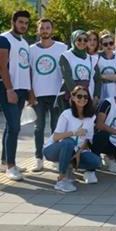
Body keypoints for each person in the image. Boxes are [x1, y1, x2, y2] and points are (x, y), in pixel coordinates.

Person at [0, 10, 32, 181]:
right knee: (15, 127)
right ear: (13, 22)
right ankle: (11, 166)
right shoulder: (3, 39)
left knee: (11, 126)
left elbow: (26, 67)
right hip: (8, 88)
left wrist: (29, 91)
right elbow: (2, 67)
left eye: (26, 23)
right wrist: (9, 90)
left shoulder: (24, 42)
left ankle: (5, 162)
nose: (23, 25)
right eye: (20, 22)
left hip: (22, 89)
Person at [43, 85, 101, 192]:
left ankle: (69, 165)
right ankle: (61, 179)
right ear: (73, 97)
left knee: (96, 162)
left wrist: (79, 152)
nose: (82, 99)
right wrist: (74, 132)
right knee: (68, 142)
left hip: (75, 150)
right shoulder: (66, 114)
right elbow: (56, 137)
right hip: (53, 149)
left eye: (85, 97)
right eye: (79, 96)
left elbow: (87, 139)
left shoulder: (91, 117)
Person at [28, 18, 68, 172]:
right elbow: (29, 71)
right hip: (38, 94)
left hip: (56, 94)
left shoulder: (62, 47)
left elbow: (66, 70)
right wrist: (30, 92)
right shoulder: (31, 49)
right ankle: (38, 158)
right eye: (42, 28)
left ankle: (54, 158)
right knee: (39, 128)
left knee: (56, 127)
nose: (45, 30)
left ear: (52, 30)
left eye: (47, 27)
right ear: (37, 30)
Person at [59, 30, 102, 112]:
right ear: (74, 40)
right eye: (79, 39)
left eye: (85, 40)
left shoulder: (92, 59)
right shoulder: (66, 56)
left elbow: (97, 79)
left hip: (87, 97)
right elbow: (67, 77)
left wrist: (96, 96)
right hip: (71, 96)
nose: (82, 42)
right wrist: (77, 95)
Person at [97, 32, 116, 99]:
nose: (108, 46)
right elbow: (96, 75)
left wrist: (102, 76)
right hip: (100, 89)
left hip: (114, 90)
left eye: (111, 43)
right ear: (101, 45)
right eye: (105, 44)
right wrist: (112, 77)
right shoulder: (97, 57)